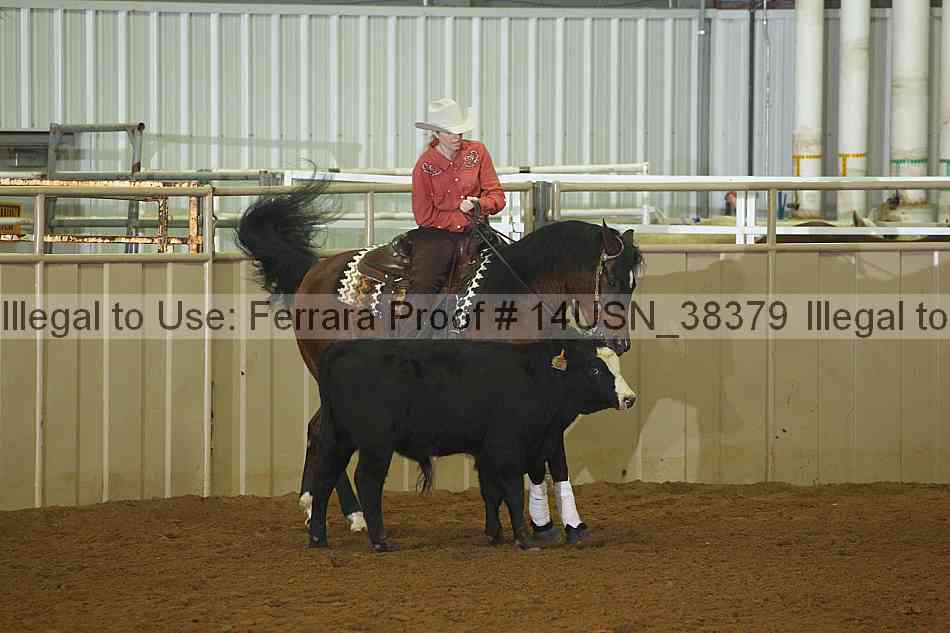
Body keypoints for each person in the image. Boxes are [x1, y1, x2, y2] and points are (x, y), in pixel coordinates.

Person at [409, 97, 506, 294]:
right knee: (426, 283)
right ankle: (415, 313)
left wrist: (480, 204)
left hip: (478, 230)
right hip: (437, 234)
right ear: (436, 133)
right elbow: (424, 216)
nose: (456, 137)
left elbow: (497, 196)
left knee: (508, 267)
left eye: (459, 131)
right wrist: (462, 219)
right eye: (449, 132)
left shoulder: (477, 152)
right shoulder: (424, 166)